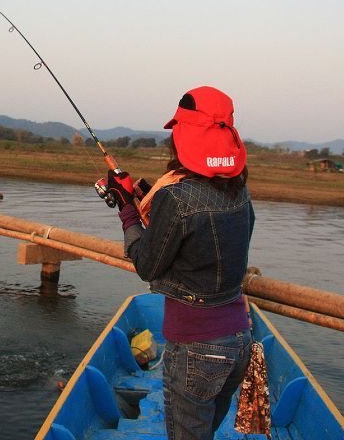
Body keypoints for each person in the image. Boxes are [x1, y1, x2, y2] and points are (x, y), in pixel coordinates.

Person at [105, 86, 254, 440]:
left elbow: (146, 264)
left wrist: (126, 207)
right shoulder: (238, 188)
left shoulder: (177, 198)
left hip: (197, 349)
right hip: (239, 341)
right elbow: (200, 228)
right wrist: (143, 193)